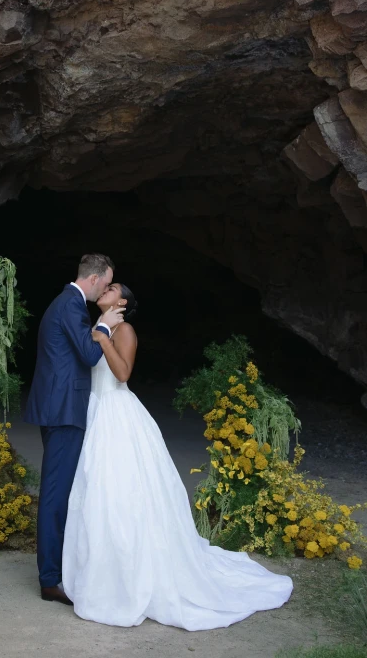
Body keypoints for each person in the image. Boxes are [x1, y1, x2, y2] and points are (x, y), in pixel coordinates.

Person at [62, 282, 293, 631]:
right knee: (96, 492)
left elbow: (122, 374)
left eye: (111, 288)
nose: (104, 290)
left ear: (121, 302)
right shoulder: (99, 326)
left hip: (117, 413)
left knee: (120, 491)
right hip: (95, 411)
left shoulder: (123, 330)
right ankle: (100, 570)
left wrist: (104, 338)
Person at [24, 254, 125, 605]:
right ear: (95, 279)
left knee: (61, 491)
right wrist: (106, 325)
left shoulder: (66, 302)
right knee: (55, 493)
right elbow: (89, 354)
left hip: (58, 407)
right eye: (107, 281)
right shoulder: (72, 305)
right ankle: (50, 580)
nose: (107, 287)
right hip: (63, 411)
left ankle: (59, 568)